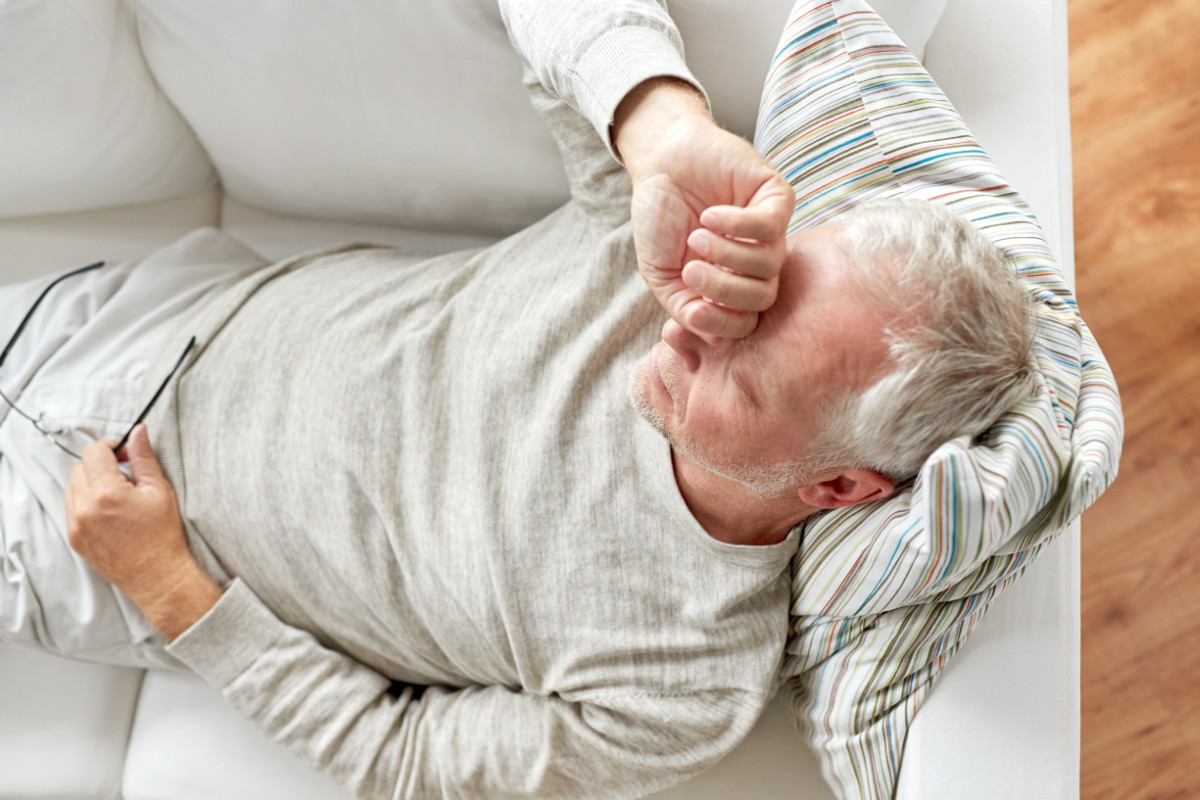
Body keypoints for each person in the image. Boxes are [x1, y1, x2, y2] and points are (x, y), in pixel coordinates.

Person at [1, 1, 1037, 798]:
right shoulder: (674, 260)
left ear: (838, 481)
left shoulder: (681, 682)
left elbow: (402, 754)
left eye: (748, 372)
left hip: (97, 547)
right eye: (753, 298)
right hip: (156, 319)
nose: (691, 321)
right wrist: (661, 124)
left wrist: (169, 586)